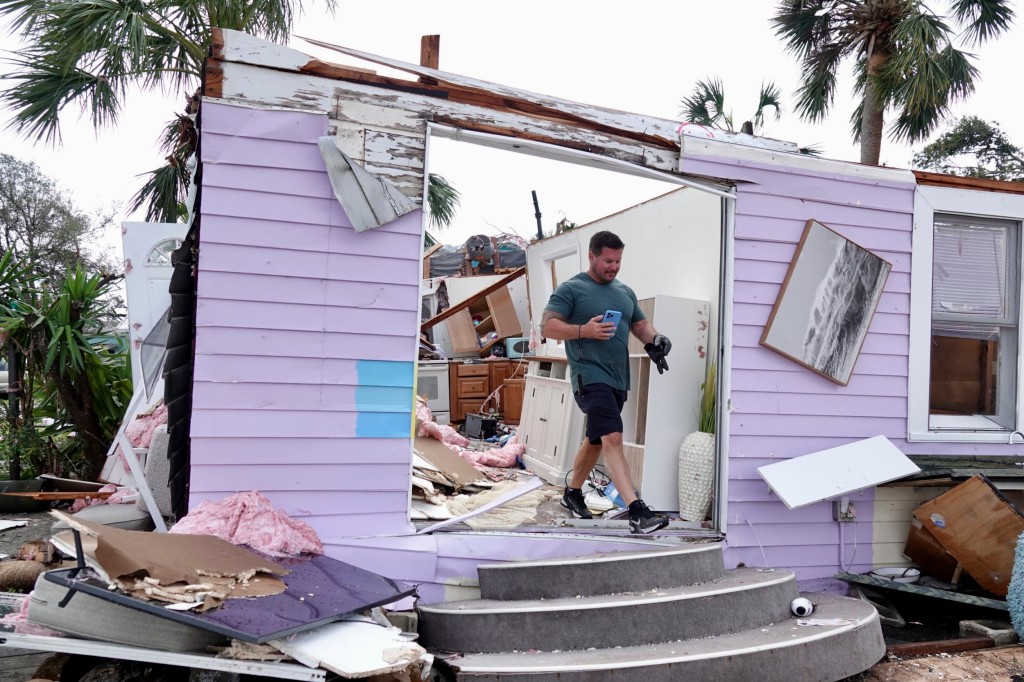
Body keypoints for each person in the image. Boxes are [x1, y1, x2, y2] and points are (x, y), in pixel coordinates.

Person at [541, 230, 672, 534]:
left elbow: (639, 324)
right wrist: (582, 331)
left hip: (618, 377)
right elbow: (548, 325)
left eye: (618, 261)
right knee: (613, 436)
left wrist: (656, 339)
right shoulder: (572, 289)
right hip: (589, 375)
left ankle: (572, 493)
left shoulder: (624, 292)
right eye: (608, 260)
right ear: (592, 256)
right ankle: (637, 511)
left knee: (597, 440)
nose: (613, 266)